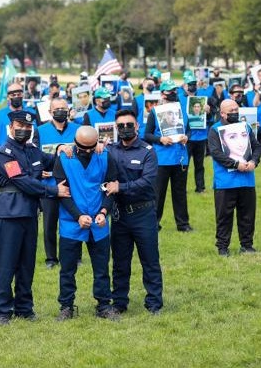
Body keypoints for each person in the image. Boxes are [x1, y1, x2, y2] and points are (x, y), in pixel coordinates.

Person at [0, 110, 70, 326]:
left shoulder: (32, 151)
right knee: (7, 264)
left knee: (27, 264)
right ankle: (3, 311)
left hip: (29, 214)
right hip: (9, 215)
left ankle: (24, 308)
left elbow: (53, 161)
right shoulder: (4, 153)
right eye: (19, 125)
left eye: (27, 127)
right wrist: (54, 191)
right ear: (10, 127)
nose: (24, 129)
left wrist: (62, 149)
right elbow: (22, 181)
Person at [53, 125, 120, 321]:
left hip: (99, 221)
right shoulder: (64, 157)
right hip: (71, 222)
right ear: (75, 143)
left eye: (92, 148)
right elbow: (62, 194)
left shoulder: (105, 156)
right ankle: (66, 306)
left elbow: (110, 188)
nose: (89, 152)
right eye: (84, 149)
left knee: (101, 267)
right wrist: (77, 216)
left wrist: (104, 211)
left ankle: (104, 305)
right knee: (67, 268)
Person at [105, 109, 163, 315]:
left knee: (150, 260)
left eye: (129, 125)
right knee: (120, 261)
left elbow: (147, 182)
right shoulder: (110, 150)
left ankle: (154, 303)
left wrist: (121, 187)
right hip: (120, 214)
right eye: (120, 126)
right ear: (116, 128)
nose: (125, 129)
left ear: (137, 126)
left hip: (143, 213)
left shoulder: (148, 151)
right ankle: (119, 302)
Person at [208, 99, 261, 256]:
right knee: (224, 216)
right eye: (231, 110)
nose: (235, 113)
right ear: (222, 113)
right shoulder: (214, 130)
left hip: (247, 180)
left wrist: (254, 161)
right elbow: (216, 153)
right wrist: (235, 164)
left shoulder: (245, 126)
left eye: (237, 110)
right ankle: (223, 247)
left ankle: (247, 244)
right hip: (225, 182)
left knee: (248, 215)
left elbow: (256, 146)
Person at [37, 98, 80, 269]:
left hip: (73, 184)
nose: (61, 111)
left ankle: (75, 255)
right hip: (50, 184)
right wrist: (40, 171)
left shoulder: (78, 130)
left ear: (69, 110)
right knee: (49, 222)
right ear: (49, 112)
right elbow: (35, 156)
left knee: (75, 218)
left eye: (64, 108)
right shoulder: (40, 131)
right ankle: (51, 258)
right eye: (57, 109)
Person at [144, 80, 191, 232]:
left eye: (175, 90)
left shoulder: (182, 110)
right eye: (171, 91)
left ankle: (183, 224)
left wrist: (187, 137)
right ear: (163, 93)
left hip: (180, 157)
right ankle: (154, 222)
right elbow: (147, 135)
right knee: (158, 192)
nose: (174, 93)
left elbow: (188, 130)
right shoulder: (155, 112)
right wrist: (160, 139)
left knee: (180, 192)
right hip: (162, 158)